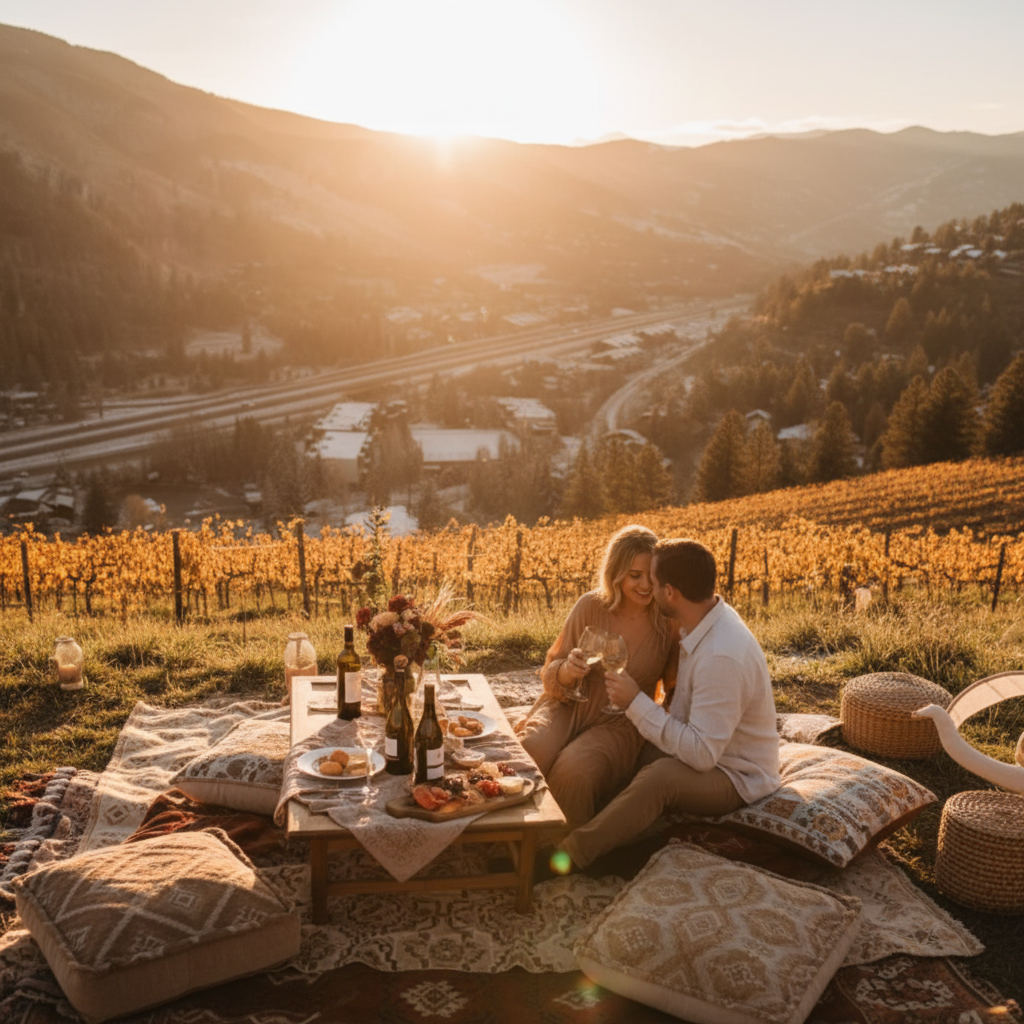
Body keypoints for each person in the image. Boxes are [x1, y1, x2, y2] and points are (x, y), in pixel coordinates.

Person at [557, 537, 780, 870]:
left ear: (671, 593)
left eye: (655, 582)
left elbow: (702, 755)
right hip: (704, 746)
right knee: (630, 758)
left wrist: (635, 701)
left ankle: (573, 855)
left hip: (735, 773)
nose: (649, 587)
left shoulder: (721, 655)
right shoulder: (704, 617)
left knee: (659, 777)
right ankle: (603, 829)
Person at [516, 524, 678, 832]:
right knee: (530, 750)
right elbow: (553, 670)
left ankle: (558, 853)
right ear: (616, 573)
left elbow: (674, 689)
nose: (645, 585)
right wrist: (568, 670)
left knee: (574, 772)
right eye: (635, 575)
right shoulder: (590, 606)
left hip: (621, 720)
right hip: (569, 702)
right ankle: (507, 836)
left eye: (652, 576)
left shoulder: (666, 622)